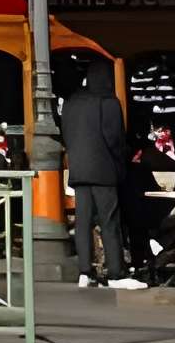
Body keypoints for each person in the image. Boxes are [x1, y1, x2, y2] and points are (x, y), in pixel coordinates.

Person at [59, 60, 145, 290]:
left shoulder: (71, 103)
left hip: (79, 169)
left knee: (83, 222)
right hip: (104, 169)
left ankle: (85, 272)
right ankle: (116, 272)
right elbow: (115, 139)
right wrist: (120, 164)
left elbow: (66, 135)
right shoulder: (108, 102)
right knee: (109, 222)